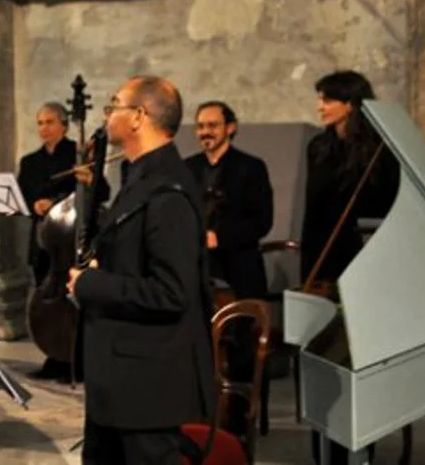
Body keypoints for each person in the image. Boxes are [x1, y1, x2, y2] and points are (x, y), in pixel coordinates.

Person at [67, 76, 215, 464]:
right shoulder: (141, 178)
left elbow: (172, 292)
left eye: (113, 105)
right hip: (121, 377)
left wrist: (92, 284)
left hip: (145, 385)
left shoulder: (168, 192)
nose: (107, 116)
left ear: (139, 116)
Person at [300, 70, 400, 464]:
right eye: (320, 98)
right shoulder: (318, 147)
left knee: (357, 365)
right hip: (325, 263)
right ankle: (324, 453)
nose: (320, 106)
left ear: (352, 103)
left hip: (364, 265)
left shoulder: (380, 150)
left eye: (328, 99)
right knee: (321, 360)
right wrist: (308, 272)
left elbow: (389, 210)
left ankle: (358, 451)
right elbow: (313, 214)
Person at [185, 100, 274, 437]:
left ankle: (242, 419)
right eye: (200, 126)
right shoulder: (187, 167)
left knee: (243, 348)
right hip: (199, 269)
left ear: (230, 128)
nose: (205, 132)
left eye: (212, 125)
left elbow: (262, 222)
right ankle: (199, 417)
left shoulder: (251, 168)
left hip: (239, 267)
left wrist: (218, 238)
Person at [16, 102, 79, 381]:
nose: (44, 128)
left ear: (64, 125)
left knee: (71, 301)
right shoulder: (30, 162)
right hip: (43, 237)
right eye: (40, 122)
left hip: (70, 236)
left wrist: (56, 202)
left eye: (50, 122)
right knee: (47, 299)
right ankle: (53, 356)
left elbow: (97, 191)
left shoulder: (77, 155)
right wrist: (35, 205)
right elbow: (21, 197)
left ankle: (74, 358)